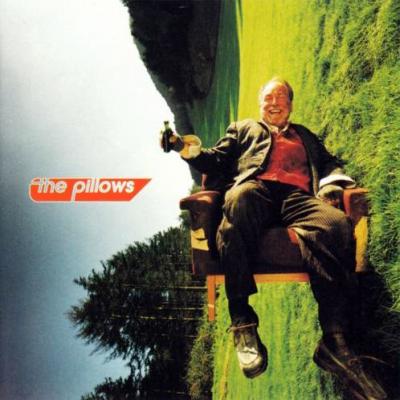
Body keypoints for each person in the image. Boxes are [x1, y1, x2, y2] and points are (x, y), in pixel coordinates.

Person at [162, 77, 387, 399]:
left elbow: (329, 164)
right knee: (239, 200)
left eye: (281, 98)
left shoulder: (305, 136)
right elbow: (213, 160)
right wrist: (182, 146)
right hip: (256, 191)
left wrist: (331, 184)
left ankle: (335, 341)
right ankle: (243, 323)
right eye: (268, 98)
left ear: (290, 105)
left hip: (297, 198)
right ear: (261, 104)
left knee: (335, 223)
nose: (274, 104)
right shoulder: (243, 129)